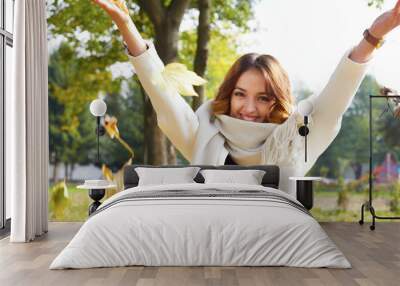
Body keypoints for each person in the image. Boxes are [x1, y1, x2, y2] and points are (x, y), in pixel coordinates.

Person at [92, 0, 400, 197]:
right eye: (240, 94)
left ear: (277, 100)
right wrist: (126, 25)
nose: (249, 108)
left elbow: (338, 93)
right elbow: (164, 95)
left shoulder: (299, 136)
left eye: (263, 98)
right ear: (228, 94)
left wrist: (374, 35)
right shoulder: (204, 132)